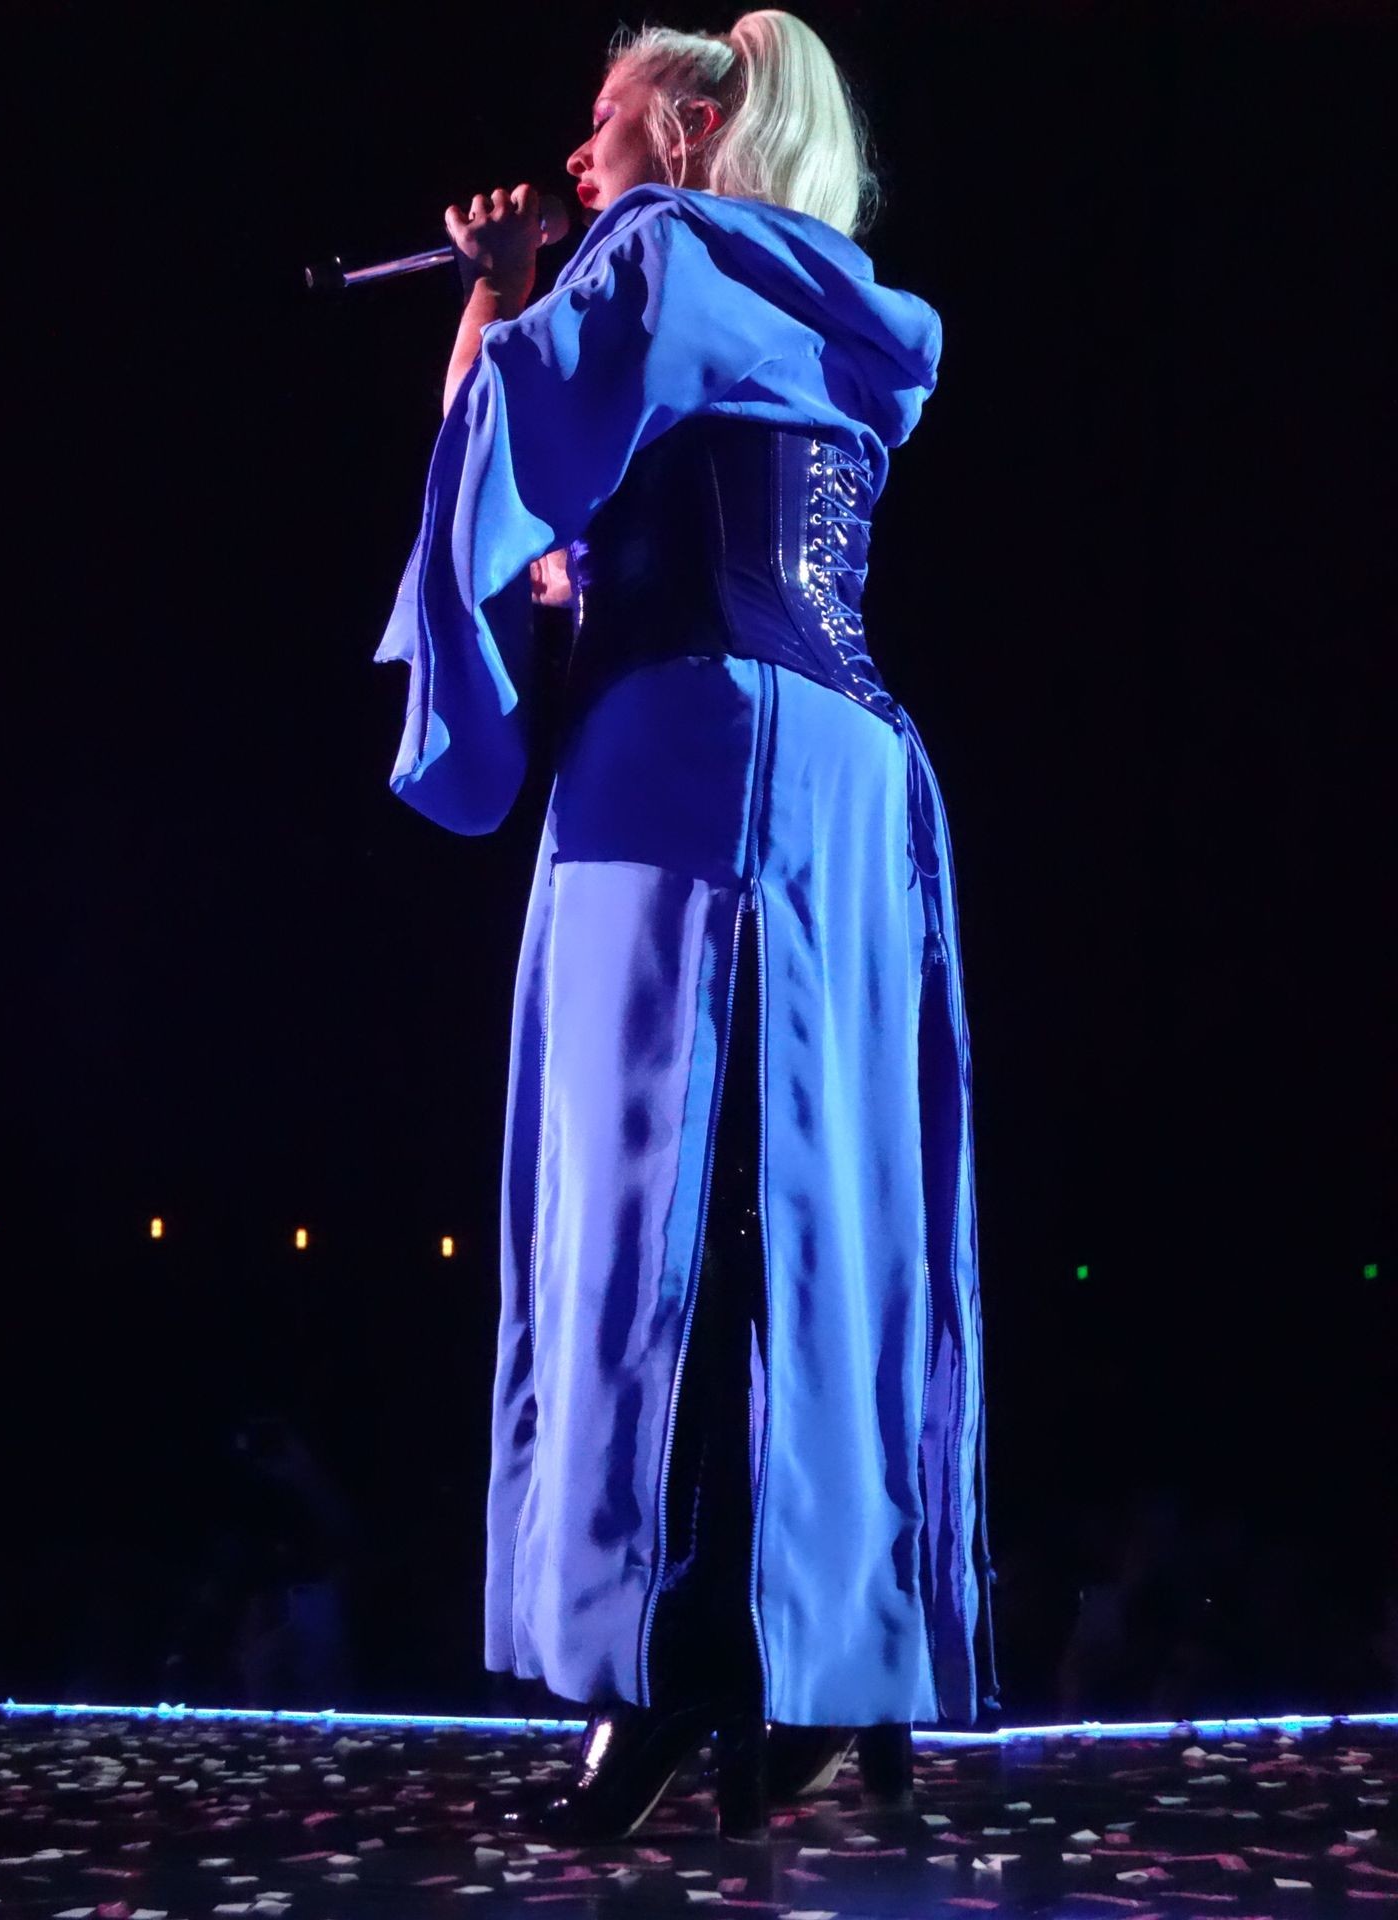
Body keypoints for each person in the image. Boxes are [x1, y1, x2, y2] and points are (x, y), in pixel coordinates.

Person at [373, 9, 997, 1841]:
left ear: (698, 127)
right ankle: (841, 1670)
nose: (580, 156)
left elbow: (500, 467)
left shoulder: (662, 249)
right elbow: (569, 482)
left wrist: (497, 291)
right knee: (835, 1213)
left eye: (607, 117)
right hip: (859, 769)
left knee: (639, 1194)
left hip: (690, 740)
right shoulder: (824, 295)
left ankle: (650, 1664)